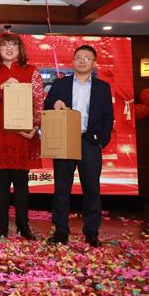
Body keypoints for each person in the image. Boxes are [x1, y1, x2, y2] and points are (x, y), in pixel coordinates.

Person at [44, 45, 114, 247]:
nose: (82, 61)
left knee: (91, 189)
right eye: (79, 57)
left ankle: (91, 232)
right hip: (65, 140)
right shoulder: (60, 83)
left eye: (87, 58)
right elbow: (47, 105)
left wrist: (101, 141)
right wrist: (54, 104)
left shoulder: (102, 87)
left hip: (89, 141)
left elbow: (108, 117)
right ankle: (60, 231)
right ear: (73, 61)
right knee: (61, 189)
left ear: (94, 63)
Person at [0, 31, 44, 240]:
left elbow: (38, 101)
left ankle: (23, 225)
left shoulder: (32, 71)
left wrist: (36, 125)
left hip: (23, 134)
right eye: (4, 45)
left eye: (13, 44)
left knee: (21, 182)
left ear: (20, 49)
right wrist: (1, 89)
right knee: (1, 182)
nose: (9, 48)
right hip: (0, 132)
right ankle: (2, 227)